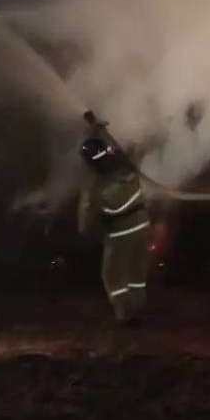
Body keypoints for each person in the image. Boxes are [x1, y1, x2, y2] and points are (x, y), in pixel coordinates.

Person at [79, 136, 151, 324]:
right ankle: (138, 307)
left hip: (120, 231)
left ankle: (125, 315)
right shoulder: (127, 166)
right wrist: (100, 132)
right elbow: (127, 149)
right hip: (142, 224)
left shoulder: (96, 187)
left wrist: (88, 232)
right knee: (136, 272)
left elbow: (87, 221)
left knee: (113, 277)